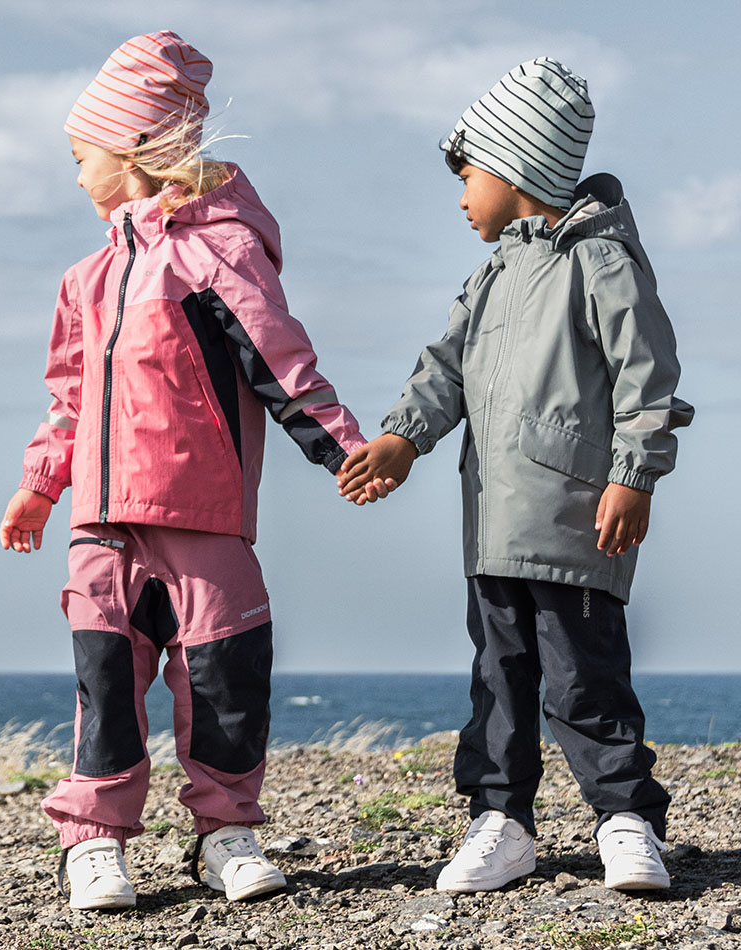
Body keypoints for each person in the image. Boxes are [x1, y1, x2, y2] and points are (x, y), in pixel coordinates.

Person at [0, 30, 388, 911]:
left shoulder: (218, 252)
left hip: (204, 513)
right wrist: (40, 483)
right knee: (106, 680)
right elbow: (68, 397)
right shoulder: (86, 278)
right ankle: (95, 840)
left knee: (224, 679)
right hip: (102, 522)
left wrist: (341, 446)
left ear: (133, 150)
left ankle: (226, 832)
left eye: (81, 157)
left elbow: (279, 358)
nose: (76, 177)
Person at [338, 57, 694, 893]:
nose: (462, 196)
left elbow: (647, 378)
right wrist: (402, 437)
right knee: (497, 680)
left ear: (514, 169)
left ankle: (625, 818)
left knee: (584, 679)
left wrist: (634, 475)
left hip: (573, 521)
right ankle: (501, 821)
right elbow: (445, 367)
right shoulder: (493, 272)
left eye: (467, 176)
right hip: (492, 526)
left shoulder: (600, 260)